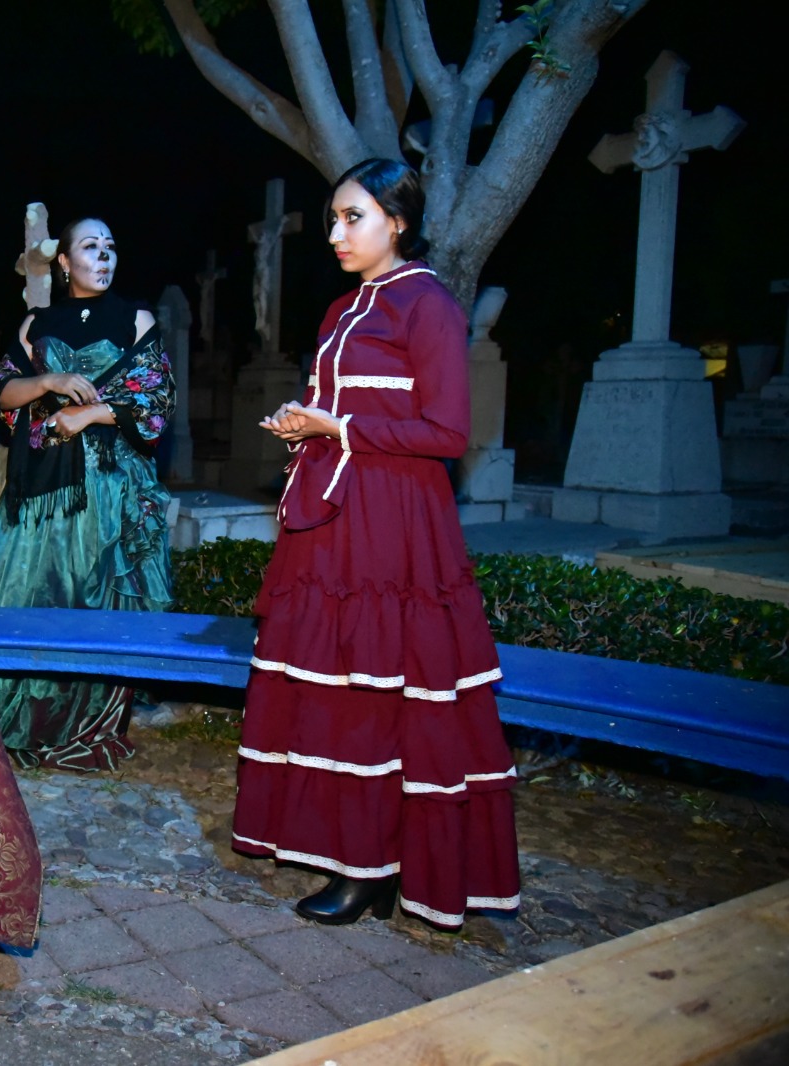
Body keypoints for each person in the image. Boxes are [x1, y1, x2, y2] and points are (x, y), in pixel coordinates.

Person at [232, 160, 520, 928]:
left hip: (394, 525)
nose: (337, 233)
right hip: (332, 519)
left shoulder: (429, 305)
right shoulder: (341, 309)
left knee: (378, 693)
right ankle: (352, 854)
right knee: (331, 690)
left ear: (398, 221)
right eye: (333, 218)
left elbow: (447, 432)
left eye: (353, 217)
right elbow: (340, 405)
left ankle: (375, 869)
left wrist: (339, 426)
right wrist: (304, 422)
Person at [0, 218, 175, 771]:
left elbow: (155, 398)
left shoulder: (134, 317)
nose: (103, 256)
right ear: (64, 262)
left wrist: (87, 414)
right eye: (90, 246)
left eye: (110, 247)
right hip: (40, 490)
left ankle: (85, 720)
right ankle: (19, 716)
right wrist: (49, 383)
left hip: (107, 486)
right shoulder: (38, 322)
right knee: (28, 595)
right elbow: (0, 392)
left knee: (90, 595)